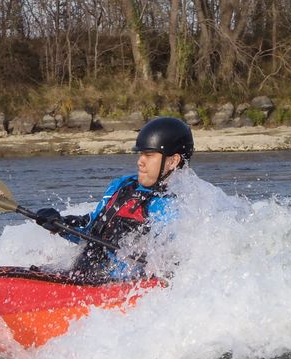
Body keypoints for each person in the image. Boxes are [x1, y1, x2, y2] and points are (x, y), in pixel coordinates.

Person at [35, 116, 194, 282]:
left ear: (173, 161)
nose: (140, 161)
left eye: (149, 155)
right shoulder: (123, 185)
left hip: (118, 288)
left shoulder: (175, 205)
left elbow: (167, 261)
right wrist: (60, 224)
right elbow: (91, 229)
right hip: (82, 276)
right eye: (140, 154)